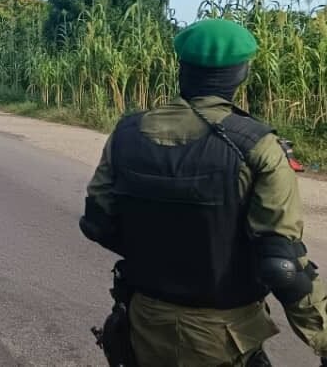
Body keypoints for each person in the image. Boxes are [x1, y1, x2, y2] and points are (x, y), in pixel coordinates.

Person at [80, 19, 327, 366]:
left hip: (143, 322)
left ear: (182, 69)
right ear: (241, 74)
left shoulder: (127, 133)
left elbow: (96, 222)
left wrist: (159, 251)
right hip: (222, 333)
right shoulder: (256, 146)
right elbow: (282, 265)